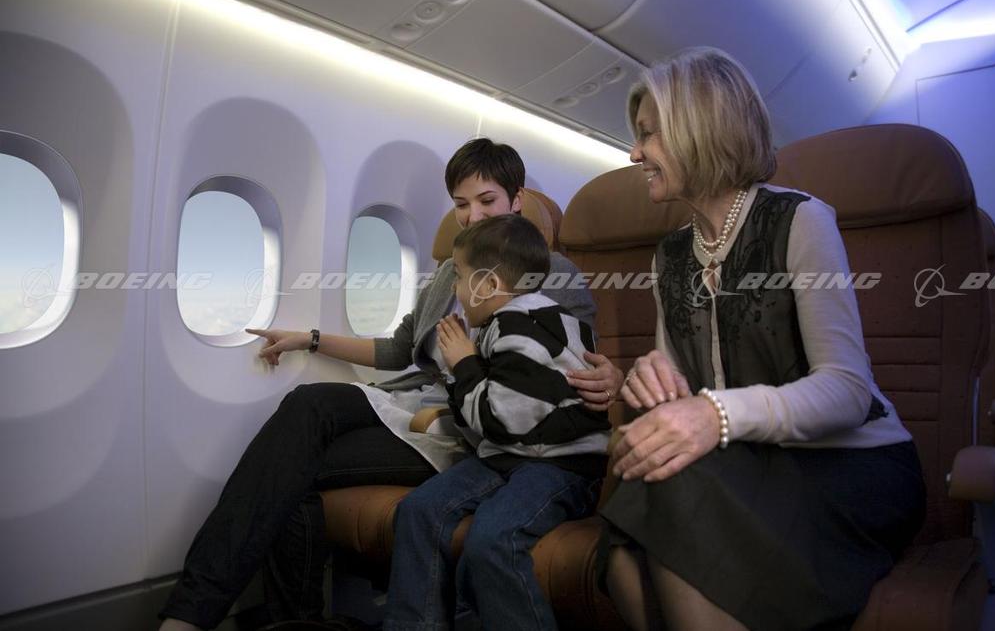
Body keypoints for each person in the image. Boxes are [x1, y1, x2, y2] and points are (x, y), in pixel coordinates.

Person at [157, 138, 624, 631]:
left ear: (517, 200)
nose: (472, 216)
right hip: (416, 403)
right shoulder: (449, 273)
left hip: (464, 425)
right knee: (308, 404)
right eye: (461, 205)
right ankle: (209, 613)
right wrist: (309, 339)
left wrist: (611, 377)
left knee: (291, 470)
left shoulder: (551, 272)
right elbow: (399, 350)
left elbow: (573, 360)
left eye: (486, 201)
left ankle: (235, 615)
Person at [599, 47, 926, 631]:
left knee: (665, 492)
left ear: (699, 129)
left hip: (850, 465)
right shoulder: (669, 256)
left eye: (648, 134)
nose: (634, 152)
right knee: (633, 497)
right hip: (747, 461)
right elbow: (680, 389)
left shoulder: (801, 220)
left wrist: (714, 414)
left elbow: (848, 391)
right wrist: (654, 382)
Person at [384, 214, 610, 631]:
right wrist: (461, 366)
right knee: (418, 511)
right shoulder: (505, 323)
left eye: (459, 276)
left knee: (494, 538)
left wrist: (462, 365)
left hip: (562, 465)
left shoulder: (520, 330)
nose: (454, 287)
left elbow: (498, 420)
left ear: (487, 286)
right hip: (509, 454)